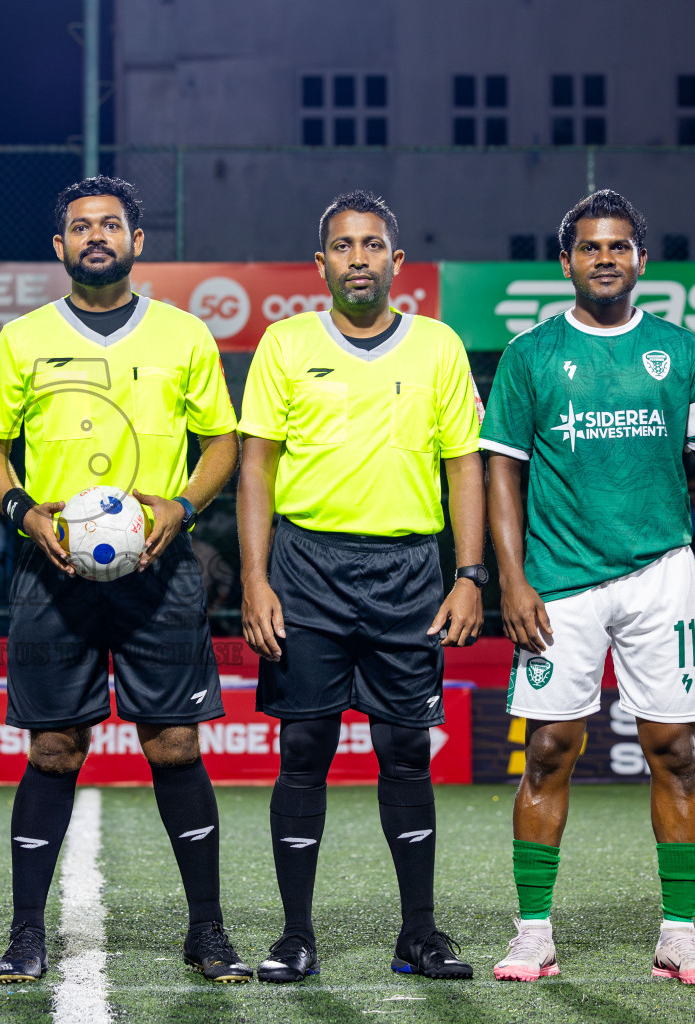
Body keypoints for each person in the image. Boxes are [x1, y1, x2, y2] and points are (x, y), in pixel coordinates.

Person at [0, 176, 247, 984]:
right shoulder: (23, 339)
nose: (97, 236)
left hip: (159, 575)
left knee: (174, 742)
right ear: (59, 247)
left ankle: (208, 931)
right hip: (51, 571)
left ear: (138, 242)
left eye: (112, 225)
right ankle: (26, 932)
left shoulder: (184, 334)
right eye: (81, 227)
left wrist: (183, 508)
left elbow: (221, 443)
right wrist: (23, 510)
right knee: (54, 747)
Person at [481, 190, 695, 986]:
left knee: (675, 751)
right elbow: (502, 470)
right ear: (565, 262)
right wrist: (513, 578)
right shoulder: (530, 354)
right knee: (548, 750)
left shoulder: (681, 351)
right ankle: (533, 933)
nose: (606, 257)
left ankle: (679, 932)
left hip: (661, 574)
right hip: (559, 582)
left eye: (620, 246)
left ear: (642, 260)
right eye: (591, 247)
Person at [238, 190, 485, 984]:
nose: (357, 260)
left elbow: (464, 467)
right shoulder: (283, 344)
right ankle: (295, 936)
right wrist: (253, 578)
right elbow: (256, 467)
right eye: (342, 247)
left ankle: (419, 932)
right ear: (320, 264)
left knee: (405, 753)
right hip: (305, 569)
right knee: (303, 750)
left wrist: (470, 574)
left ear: (396, 261)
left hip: (410, 573)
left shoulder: (439, 347)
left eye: (372, 246)